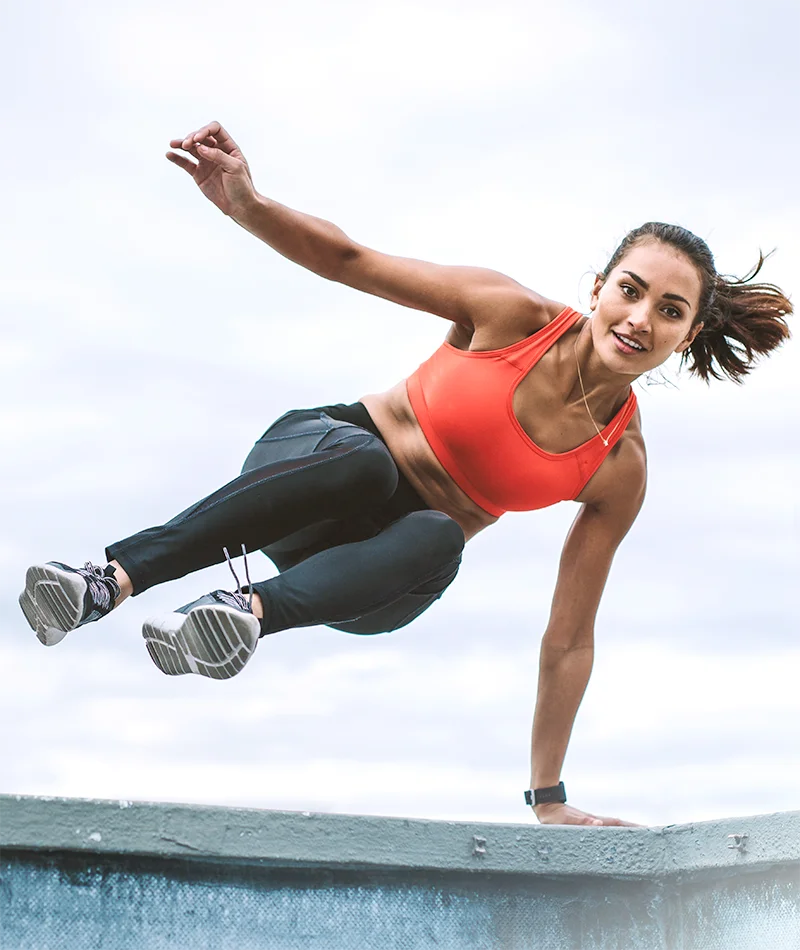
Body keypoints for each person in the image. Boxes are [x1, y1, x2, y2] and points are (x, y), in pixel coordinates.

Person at [19, 121, 792, 827]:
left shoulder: (618, 466)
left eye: (668, 310)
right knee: (363, 466)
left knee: (438, 536)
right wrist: (245, 204)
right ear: (599, 286)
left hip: (366, 573)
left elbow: (568, 639)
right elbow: (350, 259)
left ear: (687, 336)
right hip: (309, 473)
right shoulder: (508, 313)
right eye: (630, 289)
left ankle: (242, 616)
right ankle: (108, 579)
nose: (638, 318)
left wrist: (549, 799)